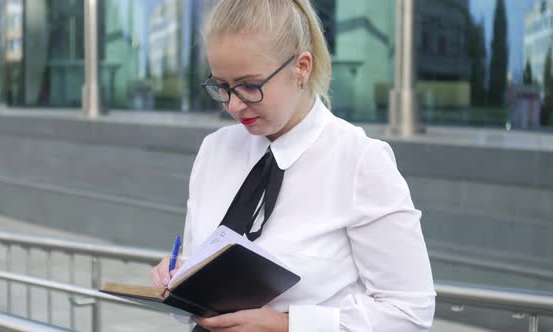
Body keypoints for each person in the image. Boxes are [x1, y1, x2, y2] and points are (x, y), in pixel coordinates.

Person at [151, 0, 436, 331]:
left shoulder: (359, 161)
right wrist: (177, 278)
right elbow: (196, 298)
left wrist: (287, 326)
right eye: (222, 86)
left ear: (301, 67)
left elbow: (410, 313)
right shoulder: (215, 150)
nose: (234, 104)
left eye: (250, 85)